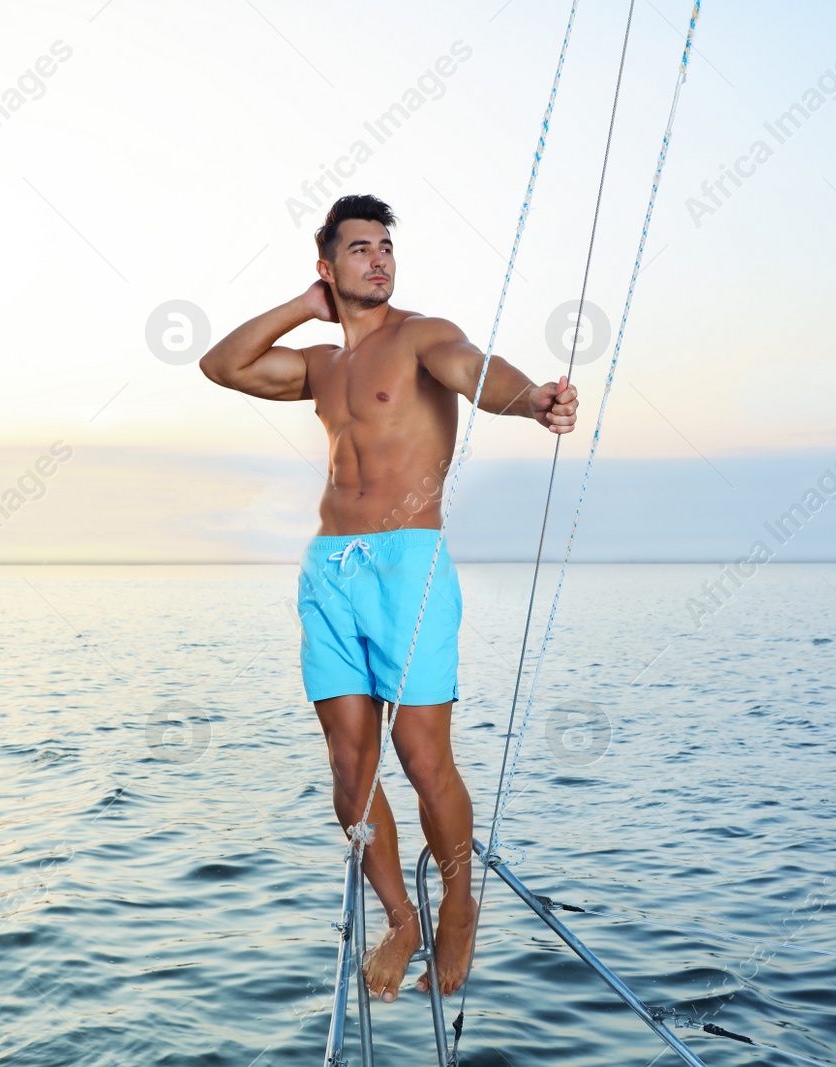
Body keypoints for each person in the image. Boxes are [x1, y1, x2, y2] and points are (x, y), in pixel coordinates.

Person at [198, 194, 579, 1003]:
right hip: (329, 568)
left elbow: (480, 373)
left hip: (409, 563)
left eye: (385, 247)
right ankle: (401, 918)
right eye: (359, 249)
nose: (378, 259)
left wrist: (535, 399)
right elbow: (222, 365)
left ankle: (461, 902)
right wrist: (305, 309)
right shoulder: (320, 366)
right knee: (349, 763)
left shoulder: (422, 337)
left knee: (419, 752)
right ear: (329, 265)